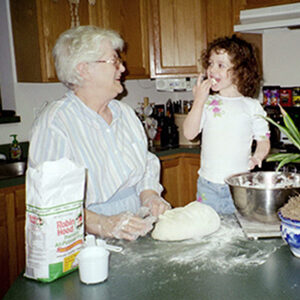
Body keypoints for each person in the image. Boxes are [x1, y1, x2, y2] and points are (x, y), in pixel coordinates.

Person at [28, 25, 170, 240]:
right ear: (83, 69)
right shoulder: (56, 123)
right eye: (114, 61)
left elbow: (145, 163)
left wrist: (149, 196)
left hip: (135, 223)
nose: (122, 68)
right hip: (86, 233)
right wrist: (104, 224)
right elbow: (49, 200)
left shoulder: (125, 113)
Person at [183, 35, 270, 214]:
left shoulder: (252, 106)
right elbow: (189, 133)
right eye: (210, 63)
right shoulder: (207, 103)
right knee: (209, 232)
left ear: (240, 71)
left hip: (239, 185)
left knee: (237, 232)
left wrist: (257, 157)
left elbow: (263, 139)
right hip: (208, 185)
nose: (212, 70)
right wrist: (198, 101)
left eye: (221, 65)